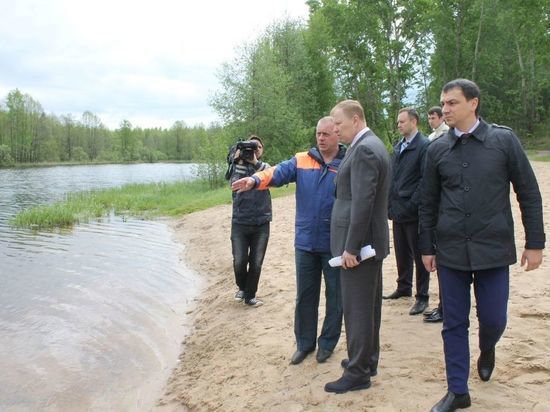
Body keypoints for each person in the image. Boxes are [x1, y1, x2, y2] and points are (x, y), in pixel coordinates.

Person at [419, 79, 545, 412]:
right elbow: (427, 203)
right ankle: (457, 390)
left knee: (493, 318)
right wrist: (427, 247)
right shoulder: (436, 150)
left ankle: (487, 347)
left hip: (493, 249)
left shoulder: (503, 141)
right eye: (443, 104)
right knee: (454, 323)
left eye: (452, 103)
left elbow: (528, 192)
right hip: (450, 252)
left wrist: (535, 243)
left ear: (473, 103)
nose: (445, 109)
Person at [232, 117, 345, 365]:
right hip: (305, 242)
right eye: (318, 134)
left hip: (335, 243)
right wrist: (254, 180)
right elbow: (277, 172)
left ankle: (327, 344)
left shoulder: (347, 162)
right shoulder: (303, 159)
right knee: (305, 296)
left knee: (336, 297)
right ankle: (304, 344)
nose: (321, 138)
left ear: (338, 134)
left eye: (326, 134)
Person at [324, 100, 390, 394]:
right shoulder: (372, 144)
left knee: (358, 309)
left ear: (355, 118)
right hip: (369, 242)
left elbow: (363, 202)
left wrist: (350, 248)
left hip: (360, 247)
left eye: (338, 124)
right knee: (369, 306)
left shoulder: (364, 149)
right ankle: (366, 360)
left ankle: (358, 372)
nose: (335, 130)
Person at [384, 107, 430, 316]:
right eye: (398, 122)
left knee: (420, 254)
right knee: (402, 252)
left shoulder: (424, 146)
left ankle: (422, 296)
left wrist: (413, 203)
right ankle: (404, 286)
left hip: (413, 210)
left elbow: (425, 180)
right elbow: (393, 178)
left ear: (414, 122)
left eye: (402, 121)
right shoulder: (398, 147)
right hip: (397, 208)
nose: (399, 125)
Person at [229, 135, 272, 307]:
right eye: (251, 147)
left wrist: (254, 162)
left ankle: (249, 296)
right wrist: (237, 160)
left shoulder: (265, 167)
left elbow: (269, 177)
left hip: (261, 222)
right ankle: (242, 287)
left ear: (261, 150)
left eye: (257, 147)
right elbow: (233, 184)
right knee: (239, 261)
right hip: (240, 221)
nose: (254, 150)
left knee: (256, 262)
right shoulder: (237, 166)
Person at [424, 105, 449, 324]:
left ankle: (445, 306)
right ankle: (443, 305)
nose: (430, 120)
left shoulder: (448, 137)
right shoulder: (431, 138)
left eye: (433, 117)